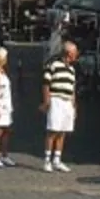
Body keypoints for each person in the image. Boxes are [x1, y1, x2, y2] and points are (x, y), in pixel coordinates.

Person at [41, 40, 78, 173]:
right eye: (75, 52)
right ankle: (47, 160)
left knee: (63, 131)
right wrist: (46, 101)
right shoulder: (53, 65)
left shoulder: (72, 70)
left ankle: (57, 159)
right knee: (53, 131)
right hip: (56, 100)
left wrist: (74, 106)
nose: (76, 55)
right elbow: (46, 84)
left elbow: (72, 89)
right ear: (69, 53)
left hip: (67, 101)